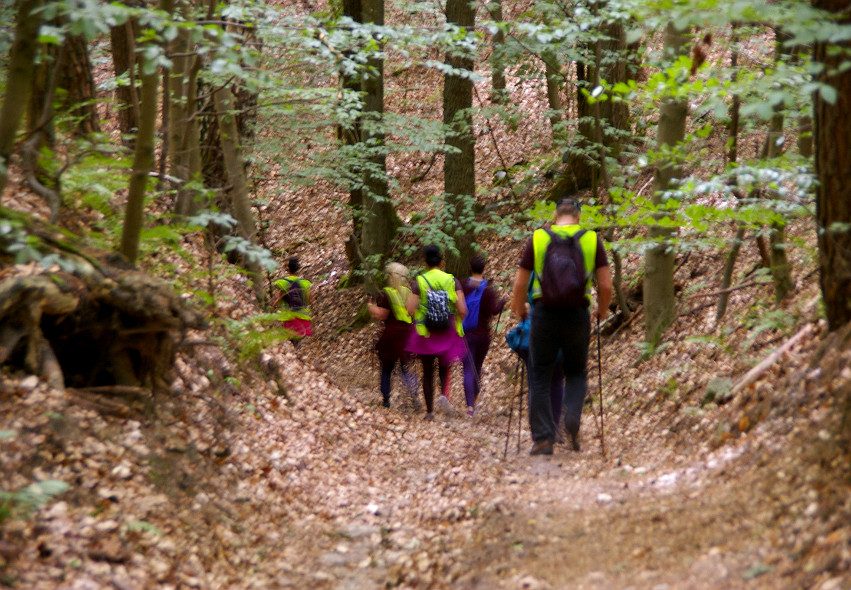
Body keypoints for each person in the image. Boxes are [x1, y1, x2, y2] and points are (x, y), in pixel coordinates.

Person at [510, 197, 612, 456]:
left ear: (555, 216)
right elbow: (606, 285)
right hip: (577, 315)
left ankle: (544, 439)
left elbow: (520, 283)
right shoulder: (591, 239)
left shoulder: (538, 237)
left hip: (543, 314)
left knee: (540, 374)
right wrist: (601, 311)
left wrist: (519, 308)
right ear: (578, 217)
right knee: (576, 372)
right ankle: (572, 417)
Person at [406, 245, 467, 420]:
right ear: (442, 262)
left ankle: (429, 412)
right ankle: (444, 398)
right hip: (446, 332)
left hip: (425, 333)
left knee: (427, 371)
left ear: (425, 263)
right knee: (444, 367)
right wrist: (457, 323)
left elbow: (410, 309)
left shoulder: (419, 281)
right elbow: (462, 309)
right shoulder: (452, 281)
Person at [367, 262, 419, 409]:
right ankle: (414, 396)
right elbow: (413, 312)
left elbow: (382, 315)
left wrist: (370, 307)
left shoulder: (385, 293)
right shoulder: (409, 293)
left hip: (391, 337)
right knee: (405, 368)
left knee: (387, 369)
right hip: (407, 336)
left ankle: (386, 400)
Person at [461, 253, 506, 417]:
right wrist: (503, 302)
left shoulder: (463, 286)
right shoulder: (488, 291)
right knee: (477, 368)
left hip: (467, 334)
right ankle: (475, 400)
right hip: (483, 336)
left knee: (467, 369)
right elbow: (494, 312)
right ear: (484, 268)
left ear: (470, 267)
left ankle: (470, 407)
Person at [274, 257, 313, 341]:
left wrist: (272, 307)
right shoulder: (305, 283)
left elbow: (279, 298)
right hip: (303, 317)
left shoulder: (282, 283)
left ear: (287, 269)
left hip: (289, 318)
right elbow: (310, 300)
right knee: (299, 339)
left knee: (291, 339)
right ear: (298, 268)